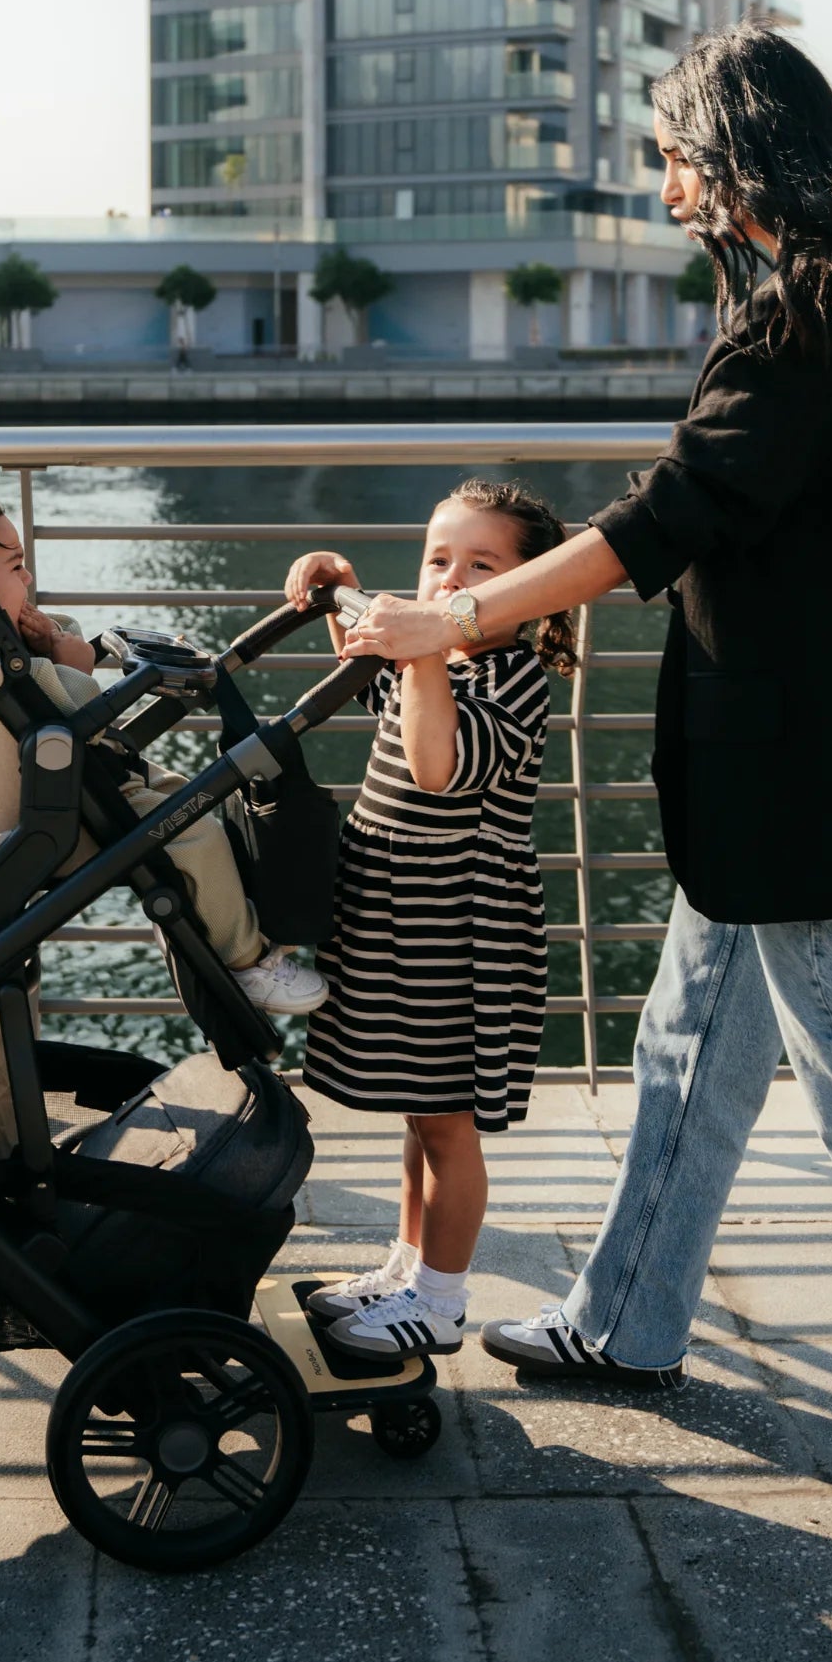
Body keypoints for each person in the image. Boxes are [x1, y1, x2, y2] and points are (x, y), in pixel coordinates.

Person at [337, 24, 832, 1541]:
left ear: (732, 149)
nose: (666, 179)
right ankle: (627, 1316)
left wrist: (462, 615)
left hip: (806, 787)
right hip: (790, 769)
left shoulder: (811, 315)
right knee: (691, 1039)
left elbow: (673, 514)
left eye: (673, 151)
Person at [282, 480, 572, 1359]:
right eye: (437, 560)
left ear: (529, 596)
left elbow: (438, 766)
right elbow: (373, 686)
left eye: (482, 567)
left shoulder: (512, 679)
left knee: (446, 1121)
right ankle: (408, 1266)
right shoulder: (436, 663)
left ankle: (441, 1300)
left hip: (459, 934)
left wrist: (425, 653)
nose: (449, 580)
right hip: (397, 915)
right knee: (420, 1109)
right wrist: (341, 587)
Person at [0, 487, 326, 1014]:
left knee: (188, 797)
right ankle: (247, 963)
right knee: (195, 833)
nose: (28, 578)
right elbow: (76, 698)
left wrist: (56, 637)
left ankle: (246, 933)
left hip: (100, 775)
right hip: (79, 798)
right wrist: (70, 659)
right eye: (15, 568)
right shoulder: (17, 666)